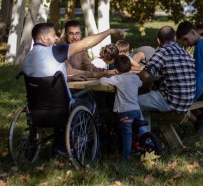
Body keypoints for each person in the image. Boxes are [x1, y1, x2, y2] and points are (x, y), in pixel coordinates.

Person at [22, 22, 128, 151]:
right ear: (44, 38)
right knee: (91, 103)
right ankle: (80, 143)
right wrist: (110, 31)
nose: (56, 38)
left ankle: (59, 145)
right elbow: (86, 43)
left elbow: (48, 75)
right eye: (53, 35)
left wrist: (71, 77)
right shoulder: (56, 51)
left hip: (37, 109)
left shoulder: (27, 58)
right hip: (62, 108)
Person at [137, 26, 196, 131]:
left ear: (158, 41)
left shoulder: (162, 52)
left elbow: (144, 76)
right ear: (174, 38)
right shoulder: (185, 53)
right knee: (145, 100)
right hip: (188, 100)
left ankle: (145, 139)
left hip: (172, 101)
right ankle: (147, 137)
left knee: (133, 102)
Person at [100, 55, 143, 159]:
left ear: (117, 68)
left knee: (126, 134)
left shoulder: (118, 79)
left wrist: (107, 76)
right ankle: (139, 148)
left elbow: (102, 81)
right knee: (136, 132)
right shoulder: (135, 77)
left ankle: (125, 156)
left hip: (125, 112)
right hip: (137, 110)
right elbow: (140, 84)